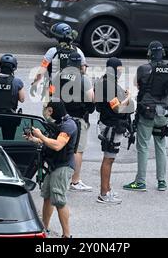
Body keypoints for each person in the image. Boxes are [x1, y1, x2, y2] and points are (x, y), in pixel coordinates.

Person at [123, 41, 168, 192]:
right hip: (162, 113)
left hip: (147, 112)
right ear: (163, 53)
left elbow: (136, 84)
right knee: (161, 146)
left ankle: (140, 181)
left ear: (149, 54)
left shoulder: (143, 68)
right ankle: (162, 181)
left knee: (143, 147)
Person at [24, 101, 78, 238]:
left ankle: (67, 235)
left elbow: (58, 145)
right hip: (53, 165)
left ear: (52, 110)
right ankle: (44, 229)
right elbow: (50, 141)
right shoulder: (58, 124)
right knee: (47, 196)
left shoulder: (68, 125)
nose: (45, 113)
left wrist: (41, 136)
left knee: (59, 200)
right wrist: (34, 139)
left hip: (63, 166)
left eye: (47, 110)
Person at [52, 52, 95, 192]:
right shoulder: (84, 79)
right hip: (78, 119)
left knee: (61, 146)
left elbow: (52, 94)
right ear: (80, 65)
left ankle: (57, 177)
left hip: (61, 117)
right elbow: (90, 98)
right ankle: (75, 182)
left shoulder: (59, 75)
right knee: (77, 150)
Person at [94, 57, 134, 204]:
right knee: (108, 159)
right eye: (119, 70)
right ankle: (104, 194)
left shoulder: (103, 82)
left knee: (109, 158)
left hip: (108, 123)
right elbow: (118, 108)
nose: (121, 73)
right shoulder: (108, 85)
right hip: (111, 126)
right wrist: (128, 97)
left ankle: (108, 189)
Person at [31, 22, 86, 104]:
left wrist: (35, 83)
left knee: (50, 110)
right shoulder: (78, 51)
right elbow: (83, 71)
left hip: (55, 89)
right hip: (73, 89)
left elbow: (42, 70)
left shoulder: (52, 51)